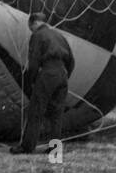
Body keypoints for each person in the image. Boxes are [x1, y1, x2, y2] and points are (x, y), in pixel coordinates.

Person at [10, 11, 74, 155]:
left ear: (35, 23)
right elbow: (71, 60)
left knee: (36, 111)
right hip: (62, 73)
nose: (31, 30)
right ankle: (55, 149)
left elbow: (33, 63)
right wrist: (64, 75)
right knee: (57, 115)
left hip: (48, 73)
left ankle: (26, 147)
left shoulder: (37, 36)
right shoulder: (59, 35)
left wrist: (31, 81)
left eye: (30, 27)